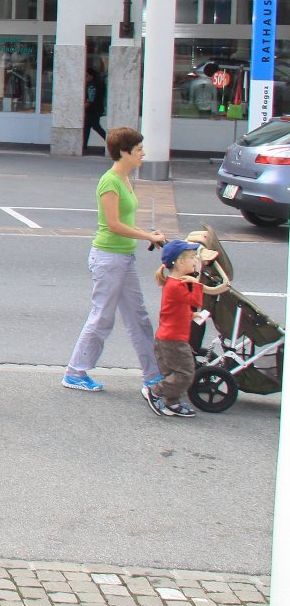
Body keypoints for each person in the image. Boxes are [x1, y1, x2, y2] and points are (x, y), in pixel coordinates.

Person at [62, 126, 169, 393]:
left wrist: (148, 235)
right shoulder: (109, 181)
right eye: (139, 149)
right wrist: (148, 236)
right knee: (102, 317)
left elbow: (126, 221)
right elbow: (113, 225)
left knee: (138, 317)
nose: (143, 153)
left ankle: (153, 374)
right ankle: (75, 373)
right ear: (124, 152)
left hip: (123, 258)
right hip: (109, 258)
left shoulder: (125, 179)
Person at [147, 240, 229, 417]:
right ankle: (155, 391)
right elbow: (196, 301)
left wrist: (190, 315)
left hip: (167, 337)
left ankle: (172, 403)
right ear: (180, 262)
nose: (195, 261)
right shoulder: (177, 285)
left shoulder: (173, 283)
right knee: (185, 374)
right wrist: (196, 282)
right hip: (174, 340)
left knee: (173, 373)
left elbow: (175, 309)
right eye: (192, 258)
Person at [83, 61, 108, 154]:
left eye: (86, 76)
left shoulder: (92, 86)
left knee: (95, 126)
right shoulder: (100, 84)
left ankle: (111, 142)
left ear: (91, 76)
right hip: (97, 109)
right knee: (88, 127)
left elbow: (90, 99)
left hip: (92, 110)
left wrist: (83, 107)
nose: (85, 78)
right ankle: (84, 145)